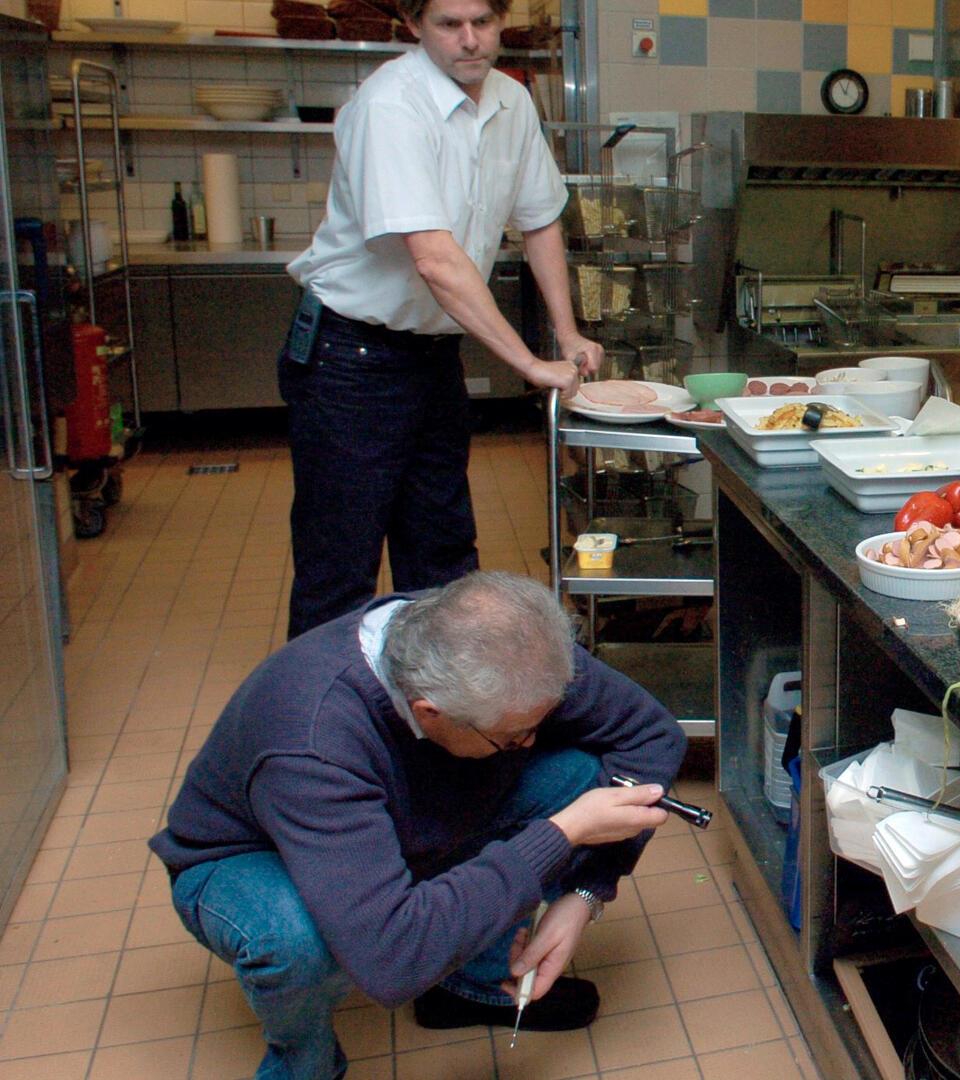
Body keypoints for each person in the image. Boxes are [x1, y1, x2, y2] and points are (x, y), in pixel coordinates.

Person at [150, 572, 687, 1080]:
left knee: (578, 774)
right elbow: (392, 962)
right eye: (515, 735)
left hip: (396, 819)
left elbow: (652, 737)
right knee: (296, 940)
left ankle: (469, 985)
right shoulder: (311, 743)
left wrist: (585, 891)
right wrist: (560, 835)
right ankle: (304, 1064)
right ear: (430, 712)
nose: (530, 741)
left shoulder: (508, 644)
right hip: (249, 857)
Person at [279, 0, 604, 640]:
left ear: (501, 20)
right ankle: (326, 728)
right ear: (413, 24)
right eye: (448, 25)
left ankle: (438, 716)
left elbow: (538, 218)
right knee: (340, 564)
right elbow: (434, 259)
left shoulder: (511, 102)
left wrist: (566, 333)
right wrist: (530, 362)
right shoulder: (391, 106)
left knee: (442, 553)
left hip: (430, 356)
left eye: (482, 22)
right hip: (350, 356)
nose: (469, 40)